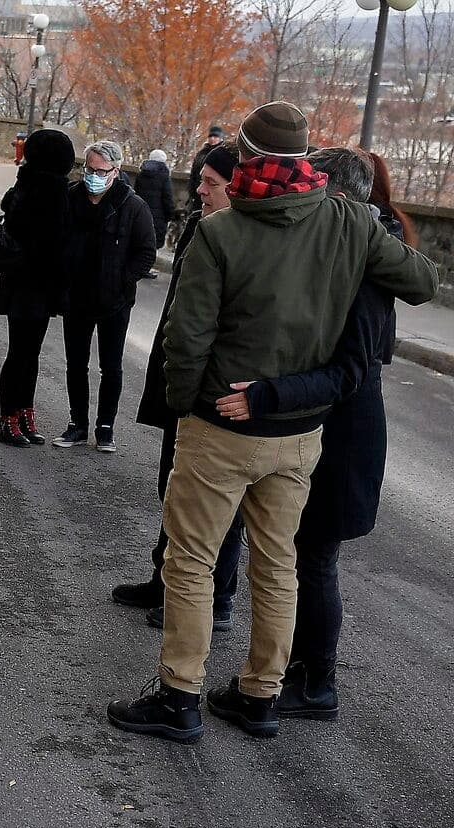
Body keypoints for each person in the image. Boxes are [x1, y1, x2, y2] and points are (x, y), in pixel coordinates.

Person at [107, 101, 438, 744]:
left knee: (192, 562)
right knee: (278, 564)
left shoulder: (222, 231)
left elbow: (185, 338)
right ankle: (261, 695)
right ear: (303, 157)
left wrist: (187, 403)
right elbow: (422, 282)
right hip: (300, 430)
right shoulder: (348, 220)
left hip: (223, 425)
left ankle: (180, 696)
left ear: (248, 158)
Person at [213, 148, 412, 722]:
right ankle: (294, 674)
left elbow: (353, 367)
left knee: (313, 559)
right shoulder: (352, 246)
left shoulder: (365, 258)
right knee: (300, 556)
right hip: (327, 424)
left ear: (337, 196)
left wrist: (269, 395)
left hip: (343, 435)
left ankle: (314, 681)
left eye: (313, 184)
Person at [113, 141, 243, 632]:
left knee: (216, 506)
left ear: (239, 187)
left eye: (212, 183)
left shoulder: (244, 238)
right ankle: (165, 579)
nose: (201, 191)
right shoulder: (199, 225)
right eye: (201, 180)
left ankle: (216, 599)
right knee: (174, 488)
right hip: (182, 380)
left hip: (215, 391)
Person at [52, 140, 156, 454]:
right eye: (89, 169)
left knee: (111, 367)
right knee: (76, 364)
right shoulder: (70, 198)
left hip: (114, 301)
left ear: (115, 171)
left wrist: (122, 281)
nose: (94, 176)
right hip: (76, 298)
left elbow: (146, 252)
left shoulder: (133, 206)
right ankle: (78, 424)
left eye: (101, 171)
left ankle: (106, 427)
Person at [0, 129, 76, 447]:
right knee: (21, 353)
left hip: (34, 283)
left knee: (29, 353)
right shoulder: (44, 190)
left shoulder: (32, 185)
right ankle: (9, 418)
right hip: (30, 283)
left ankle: (23, 413)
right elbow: (49, 239)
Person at [134, 149, 176, 267]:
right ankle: (147, 267)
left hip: (141, 212)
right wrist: (170, 214)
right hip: (158, 215)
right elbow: (167, 197)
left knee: (140, 239)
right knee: (153, 243)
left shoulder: (141, 174)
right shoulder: (164, 175)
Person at [186, 125, 225, 212]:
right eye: (211, 136)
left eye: (215, 136)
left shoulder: (223, 154)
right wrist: (191, 191)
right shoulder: (202, 153)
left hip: (212, 193)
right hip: (198, 193)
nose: (212, 139)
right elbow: (193, 173)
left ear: (221, 138)